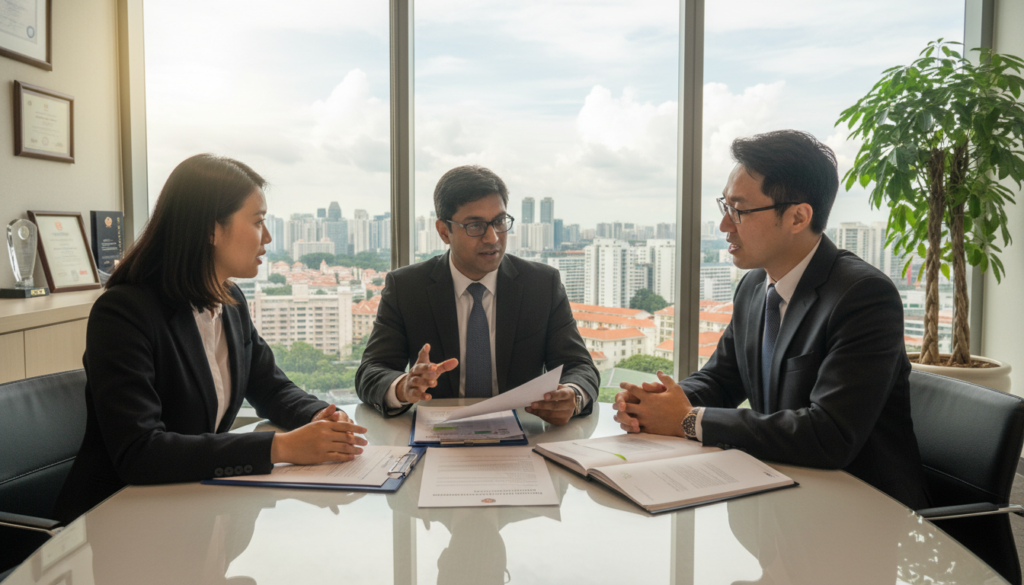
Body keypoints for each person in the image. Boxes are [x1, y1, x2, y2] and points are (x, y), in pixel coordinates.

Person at [613, 130, 929, 509]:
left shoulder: (862, 296)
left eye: (739, 210)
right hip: (780, 493)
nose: (724, 226)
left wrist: (688, 420)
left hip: (861, 508)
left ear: (798, 216)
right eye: (724, 207)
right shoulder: (753, 285)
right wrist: (658, 403)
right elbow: (722, 378)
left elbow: (830, 435)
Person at [53, 154, 367, 522]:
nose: (267, 237)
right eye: (258, 222)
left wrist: (323, 416)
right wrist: (280, 447)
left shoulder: (230, 301)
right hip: (122, 519)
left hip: (196, 509)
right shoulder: (124, 313)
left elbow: (271, 388)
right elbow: (141, 452)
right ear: (210, 229)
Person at [356, 165, 599, 424]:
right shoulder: (407, 287)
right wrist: (403, 386)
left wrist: (573, 396)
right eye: (475, 226)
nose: (492, 237)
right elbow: (371, 372)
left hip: (524, 436)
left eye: (499, 222)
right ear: (443, 231)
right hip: (437, 436)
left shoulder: (541, 284)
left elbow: (580, 367)